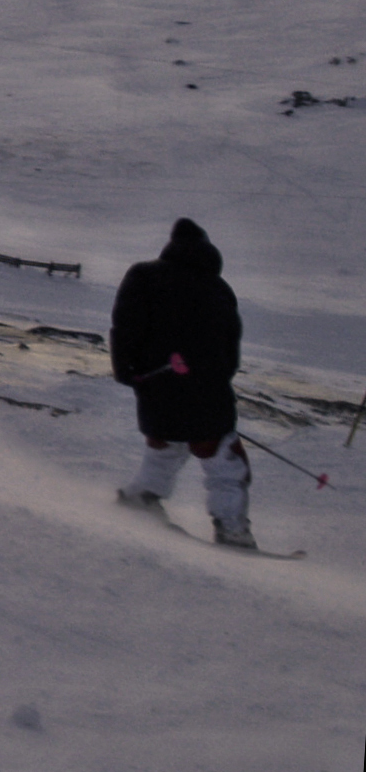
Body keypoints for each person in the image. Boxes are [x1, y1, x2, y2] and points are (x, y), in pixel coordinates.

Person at [110, 218, 255, 549]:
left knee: (165, 443)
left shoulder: (142, 276)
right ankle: (231, 527)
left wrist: (126, 371)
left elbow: (125, 327)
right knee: (222, 457)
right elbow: (231, 347)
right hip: (207, 388)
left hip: (155, 381)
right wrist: (219, 378)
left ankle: (141, 497)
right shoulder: (219, 289)